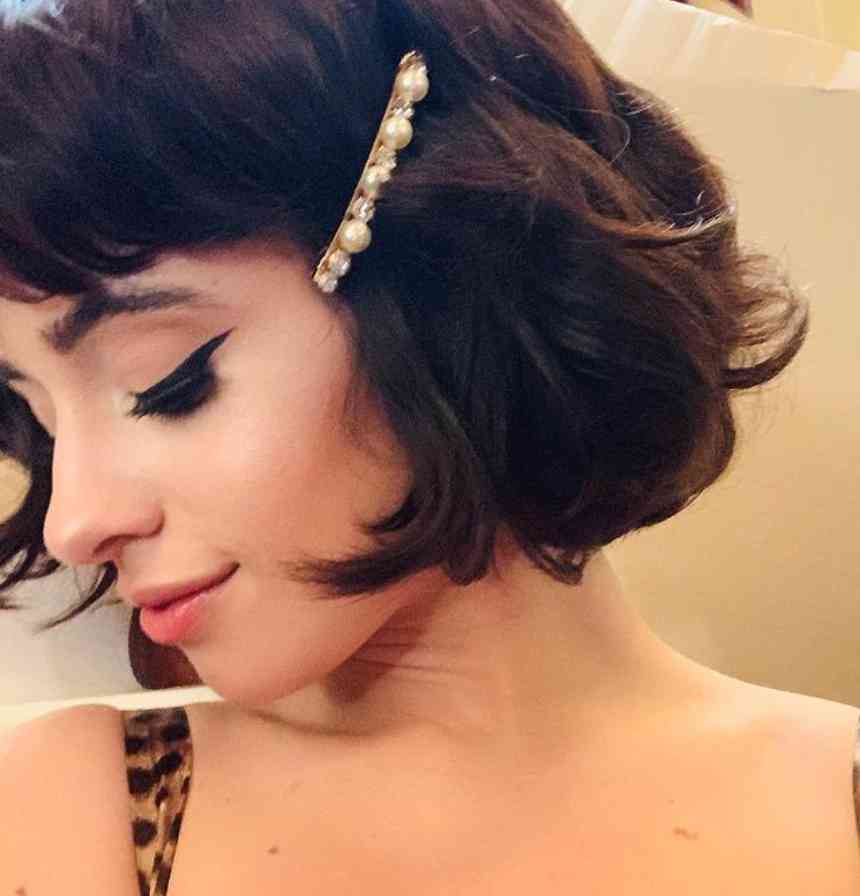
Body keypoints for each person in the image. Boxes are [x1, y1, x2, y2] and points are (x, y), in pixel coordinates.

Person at [0, 1, 857, 893]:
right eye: (39, 422)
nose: (73, 523)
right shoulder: (68, 816)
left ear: (451, 276)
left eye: (169, 382)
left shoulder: (839, 807)